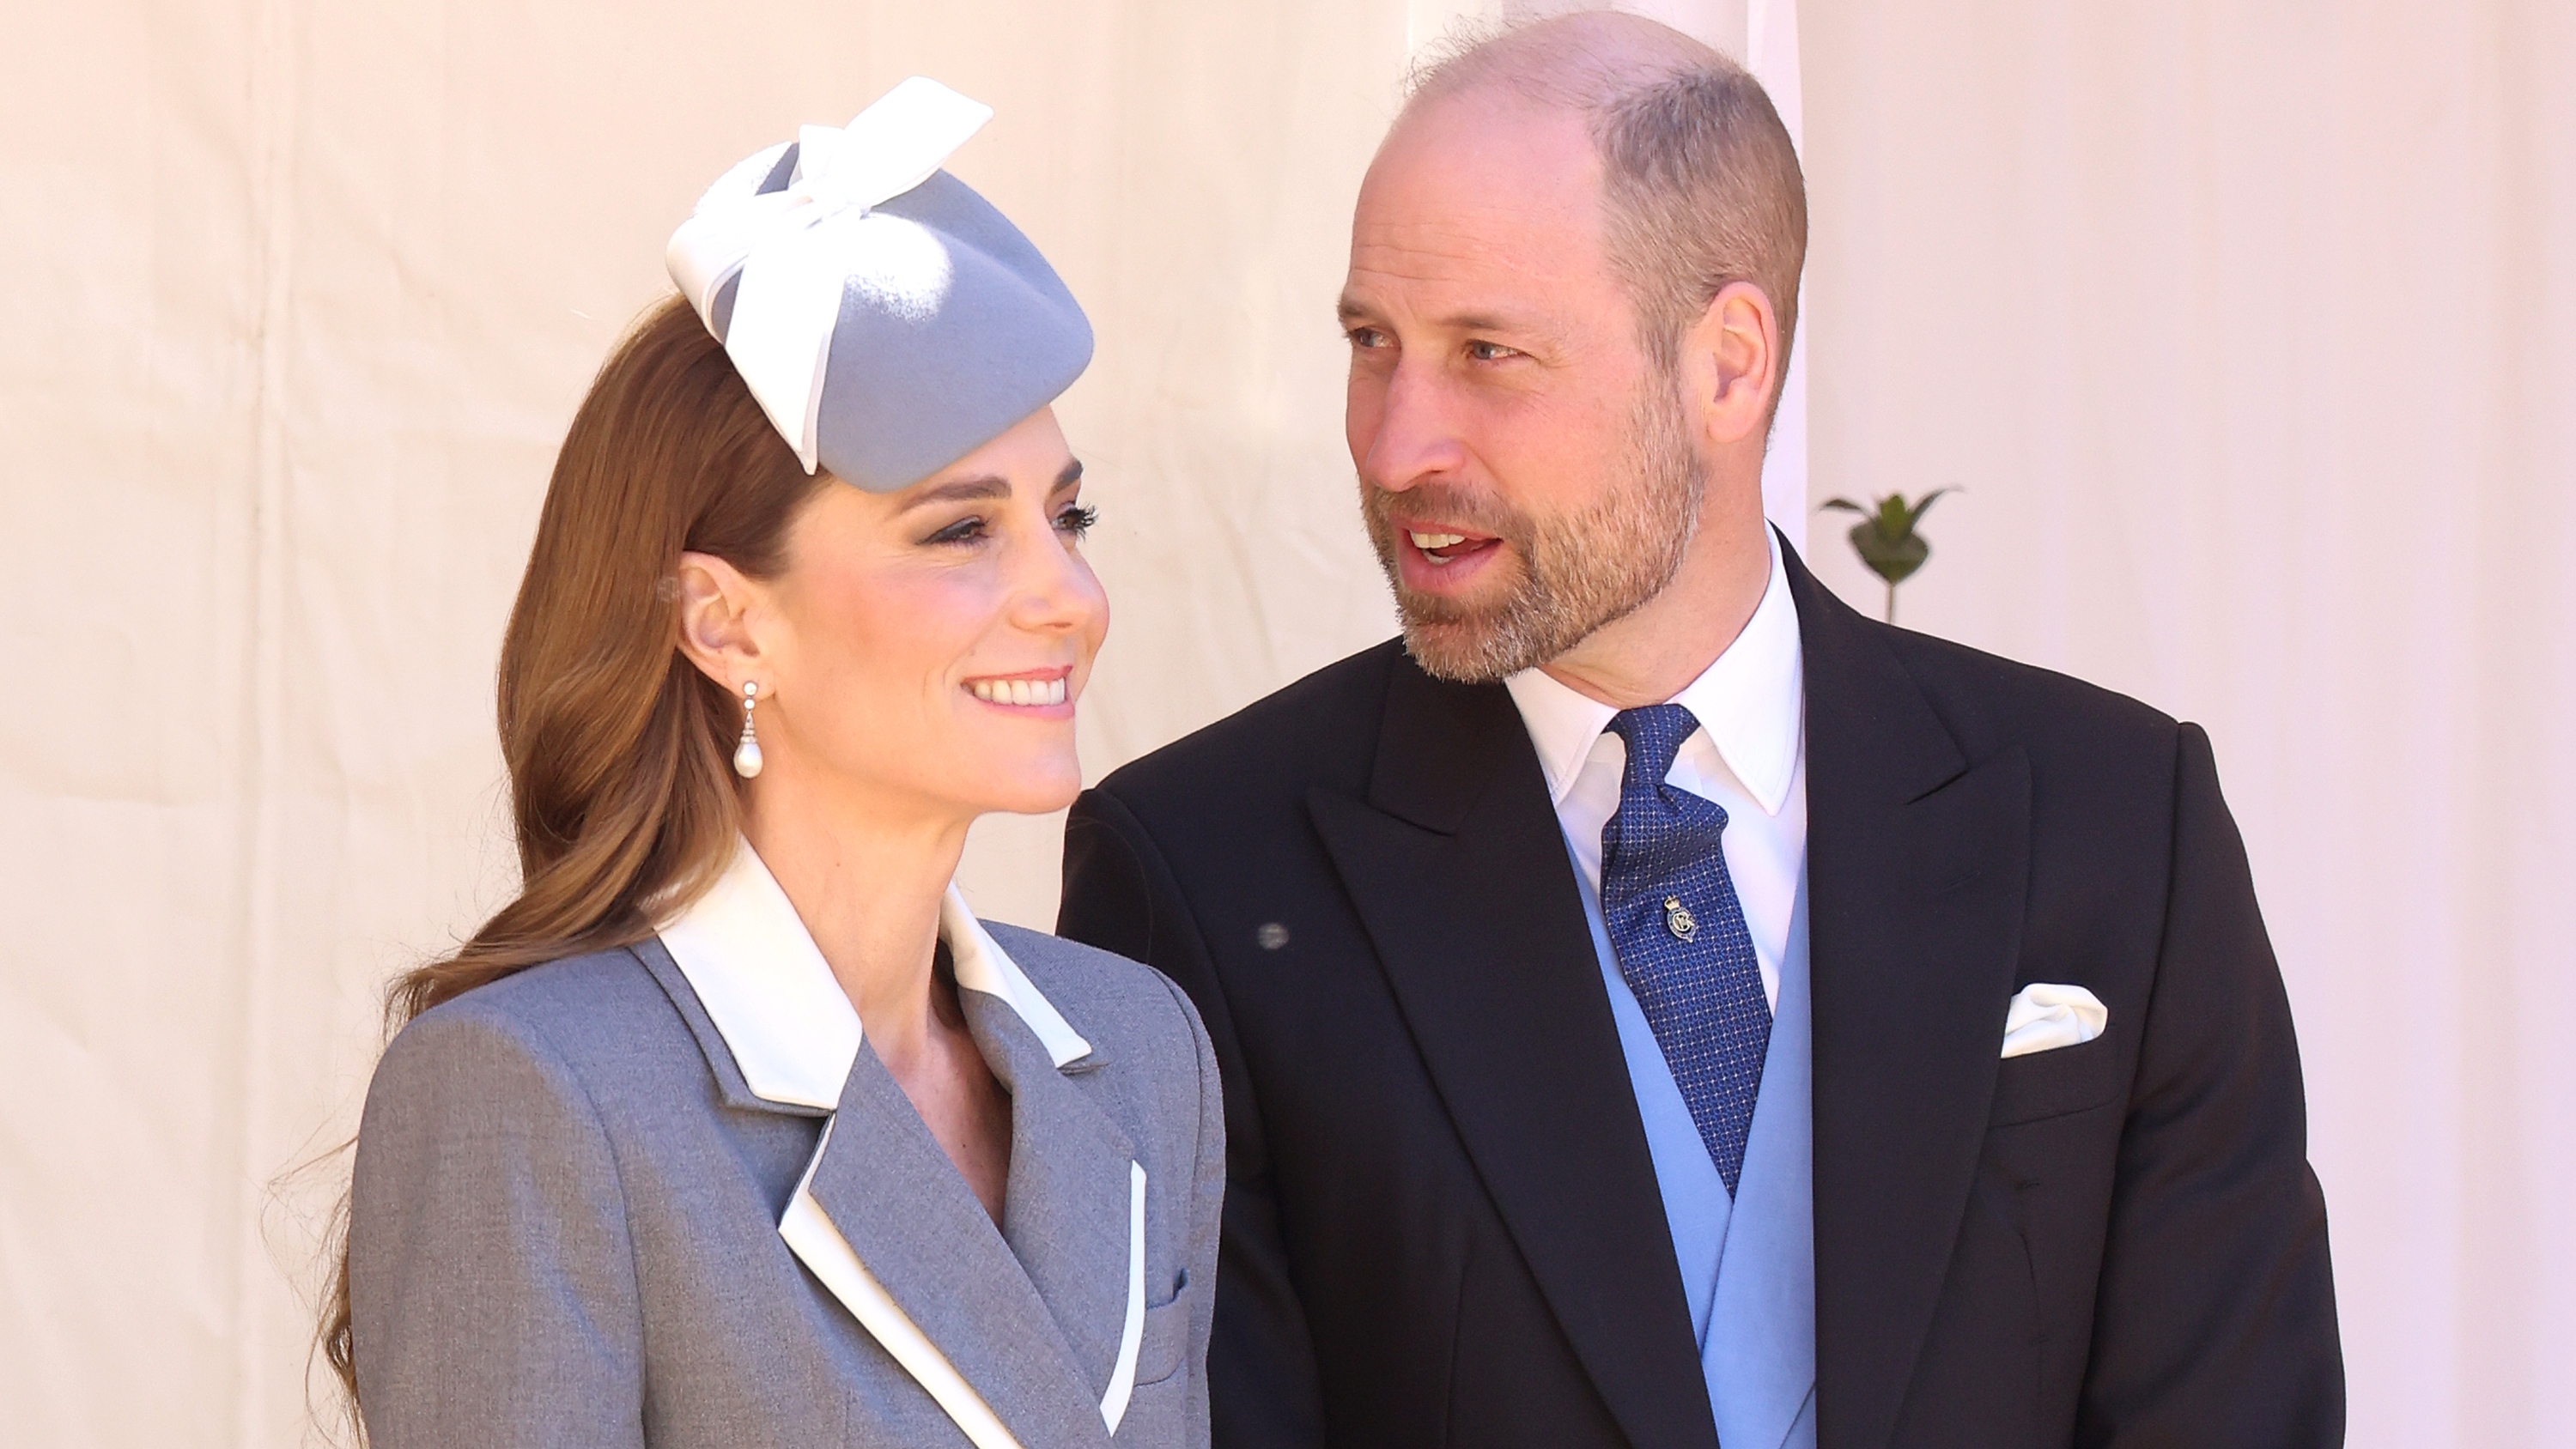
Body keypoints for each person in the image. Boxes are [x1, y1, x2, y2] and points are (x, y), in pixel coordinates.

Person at [1056, 15, 2341, 1449]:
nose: (1397, 444)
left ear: (1730, 364)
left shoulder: (2120, 825)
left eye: (1489, 352)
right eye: (1373, 344)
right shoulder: (1200, 877)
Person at [328, 78, 1221, 1449]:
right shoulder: (534, 1093)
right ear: (727, 623)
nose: (1071, 598)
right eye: (960, 532)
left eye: (1069, 517)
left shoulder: (1142, 1049)